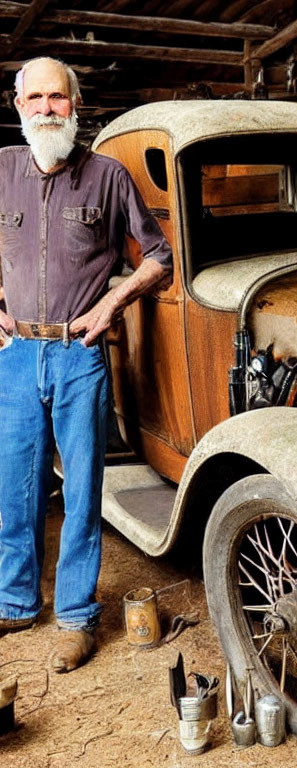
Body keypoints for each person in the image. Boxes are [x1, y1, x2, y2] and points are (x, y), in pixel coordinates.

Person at [0, 57, 173, 672]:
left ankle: (76, 616)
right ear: (18, 105)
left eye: (58, 97)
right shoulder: (0, 171)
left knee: (83, 491)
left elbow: (159, 257)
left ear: (76, 104)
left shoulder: (107, 175)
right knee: (14, 484)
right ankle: (16, 603)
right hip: (16, 354)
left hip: (80, 356)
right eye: (36, 98)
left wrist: (112, 302)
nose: (47, 108)